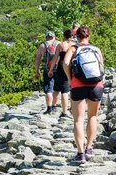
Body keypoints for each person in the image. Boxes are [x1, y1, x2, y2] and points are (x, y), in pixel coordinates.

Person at [63, 26, 104, 164]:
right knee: (92, 116)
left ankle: (80, 154)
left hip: (78, 85)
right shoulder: (96, 49)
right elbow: (101, 67)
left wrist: (70, 79)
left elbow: (65, 62)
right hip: (96, 85)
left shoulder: (73, 49)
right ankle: (89, 148)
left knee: (78, 119)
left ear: (77, 37)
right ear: (88, 36)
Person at [48, 29, 73, 119]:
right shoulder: (73, 45)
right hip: (69, 66)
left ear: (64, 36)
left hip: (60, 67)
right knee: (65, 90)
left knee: (57, 87)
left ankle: (53, 106)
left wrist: (51, 69)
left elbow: (55, 58)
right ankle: (65, 111)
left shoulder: (60, 45)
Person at [34, 31, 60, 114]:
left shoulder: (42, 45)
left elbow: (38, 59)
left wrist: (37, 71)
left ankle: (49, 108)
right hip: (58, 69)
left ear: (46, 37)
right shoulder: (59, 44)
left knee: (49, 89)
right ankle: (54, 106)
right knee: (56, 89)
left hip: (47, 69)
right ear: (54, 37)